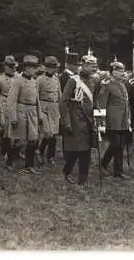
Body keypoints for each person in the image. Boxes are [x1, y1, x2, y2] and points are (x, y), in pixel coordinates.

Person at [60, 54, 99, 186]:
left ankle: (82, 178)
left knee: (85, 149)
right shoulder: (73, 80)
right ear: (83, 65)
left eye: (94, 66)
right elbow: (64, 102)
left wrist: (100, 120)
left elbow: (96, 101)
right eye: (90, 66)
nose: (93, 69)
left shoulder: (94, 81)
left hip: (89, 120)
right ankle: (69, 172)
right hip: (75, 119)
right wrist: (66, 121)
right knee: (78, 149)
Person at [6, 55, 43, 175]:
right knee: (19, 141)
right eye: (32, 67)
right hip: (20, 112)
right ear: (26, 68)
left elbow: (37, 100)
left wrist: (40, 115)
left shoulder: (34, 81)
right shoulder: (18, 81)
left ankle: (29, 165)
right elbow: (11, 101)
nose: (34, 70)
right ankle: (9, 161)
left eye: (35, 67)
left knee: (33, 140)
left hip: (32, 113)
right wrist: (13, 118)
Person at [98, 60, 132, 179]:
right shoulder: (107, 85)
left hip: (122, 121)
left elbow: (126, 103)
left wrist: (128, 118)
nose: (122, 73)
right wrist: (101, 121)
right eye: (119, 70)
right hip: (112, 120)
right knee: (116, 144)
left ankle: (117, 171)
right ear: (112, 72)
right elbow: (101, 104)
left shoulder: (122, 85)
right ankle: (105, 164)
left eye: (123, 70)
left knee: (120, 144)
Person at [36, 56, 62, 165]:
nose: (54, 69)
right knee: (48, 133)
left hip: (55, 108)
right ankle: (39, 150)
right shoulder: (40, 79)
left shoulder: (56, 79)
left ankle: (50, 156)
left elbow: (59, 94)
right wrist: (38, 112)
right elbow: (36, 96)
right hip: (44, 107)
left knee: (54, 135)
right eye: (51, 67)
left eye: (55, 67)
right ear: (46, 68)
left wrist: (60, 109)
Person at [0, 55, 18, 160]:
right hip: (4, 103)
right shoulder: (0, 79)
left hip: (15, 104)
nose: (11, 68)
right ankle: (4, 150)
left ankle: (16, 150)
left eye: (12, 66)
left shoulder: (17, 78)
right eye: (9, 66)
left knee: (16, 127)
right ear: (5, 67)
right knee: (5, 128)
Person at [59, 52, 81, 158]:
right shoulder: (65, 77)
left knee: (73, 129)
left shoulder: (73, 76)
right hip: (67, 105)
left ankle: (71, 151)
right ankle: (66, 153)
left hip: (73, 106)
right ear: (69, 65)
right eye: (76, 65)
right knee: (67, 130)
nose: (77, 67)